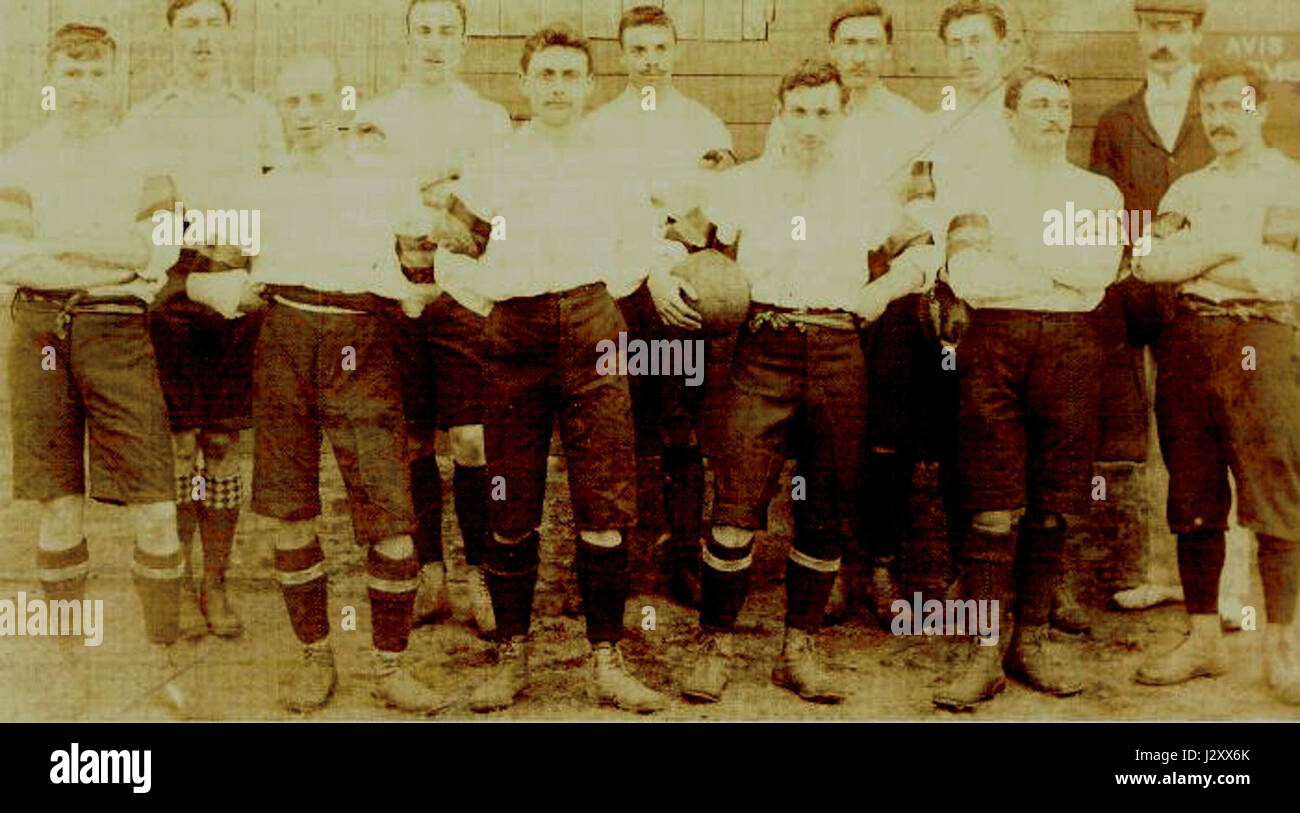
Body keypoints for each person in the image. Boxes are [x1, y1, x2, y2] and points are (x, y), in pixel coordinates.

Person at [680, 61, 938, 705]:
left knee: (823, 515)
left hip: (838, 350)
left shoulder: (864, 188)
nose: (812, 125)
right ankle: (715, 643)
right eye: (800, 111)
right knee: (736, 508)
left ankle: (801, 649)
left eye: (825, 112)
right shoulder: (742, 185)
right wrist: (666, 280)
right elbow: (676, 238)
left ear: (841, 116)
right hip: (761, 348)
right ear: (780, 113)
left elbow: (923, 249)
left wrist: (878, 294)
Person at [447, 25, 682, 714]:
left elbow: (640, 244)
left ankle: (606, 659)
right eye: (544, 75)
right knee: (509, 500)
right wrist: (495, 303)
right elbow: (454, 249)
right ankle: (509, 657)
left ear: (588, 85)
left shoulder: (613, 158)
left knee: (604, 498)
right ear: (524, 83)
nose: (556, 88)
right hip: (513, 333)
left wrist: (596, 298)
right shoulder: (493, 161)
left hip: (592, 326)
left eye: (569, 76)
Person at [233, 55, 450, 714]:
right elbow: (211, 272)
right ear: (278, 109)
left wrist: (416, 291)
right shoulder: (262, 189)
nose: (303, 115)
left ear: (340, 105)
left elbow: (426, 267)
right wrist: (229, 286)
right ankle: (313, 658)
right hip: (283, 336)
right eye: (291, 102)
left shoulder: (381, 179)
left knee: (388, 509)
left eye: (315, 101)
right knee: (290, 505)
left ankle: (390, 668)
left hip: (360, 337)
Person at [0, 22, 192, 716]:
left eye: (96, 74)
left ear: (117, 82)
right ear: (52, 82)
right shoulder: (21, 160)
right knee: (57, 507)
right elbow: (10, 260)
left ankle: (165, 663)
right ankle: (68, 667)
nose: (84, 88)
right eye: (71, 74)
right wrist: (114, 253)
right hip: (40, 332)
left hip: (117, 330)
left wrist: (69, 246)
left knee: (156, 509)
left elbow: (162, 253)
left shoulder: (146, 156)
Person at [931, 67, 1124, 711]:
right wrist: (1051, 264)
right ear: (1010, 115)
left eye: (1062, 105)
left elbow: (1098, 276)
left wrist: (1017, 253)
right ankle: (982, 651)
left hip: (1072, 348)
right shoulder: (976, 184)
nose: (1053, 115)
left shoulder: (1096, 193)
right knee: (992, 503)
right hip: (994, 346)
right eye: (1039, 103)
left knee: (1053, 501)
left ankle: (1031, 639)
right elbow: (970, 276)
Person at [1133, 62, 1300, 705]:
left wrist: (1203, 260)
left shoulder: (1288, 181)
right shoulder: (1187, 190)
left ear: (1260, 109)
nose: (1221, 120)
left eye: (1234, 106)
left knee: (1276, 495)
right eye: (1210, 110)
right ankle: (1203, 640)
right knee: (1194, 493)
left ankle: (1281, 649)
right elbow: (1150, 264)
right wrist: (1233, 247)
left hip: (1262, 343)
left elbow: (1280, 280)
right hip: (1189, 344)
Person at [123, 0, 285, 640]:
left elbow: (277, 195)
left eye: (212, 26)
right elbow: (140, 208)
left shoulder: (257, 113)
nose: (201, 39)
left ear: (228, 35)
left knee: (222, 442)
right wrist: (194, 253)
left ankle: (214, 579)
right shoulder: (146, 118)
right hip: (172, 288)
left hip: (242, 286)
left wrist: (246, 265)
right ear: (171, 36)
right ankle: (177, 572)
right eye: (189, 26)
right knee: (178, 442)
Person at [355, 0, 512, 634]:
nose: (435, 43)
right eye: (424, 31)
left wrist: (438, 201)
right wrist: (434, 192)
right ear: (407, 39)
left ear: (465, 42)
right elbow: (368, 204)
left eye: (448, 32)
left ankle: (479, 571)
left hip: (465, 291)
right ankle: (429, 572)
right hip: (396, 293)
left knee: (471, 438)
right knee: (413, 439)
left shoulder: (489, 119)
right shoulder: (375, 117)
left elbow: (492, 213)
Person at [585, 4, 735, 607]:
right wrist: (653, 231)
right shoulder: (598, 128)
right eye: (638, 49)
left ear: (676, 51)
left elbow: (716, 212)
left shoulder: (704, 125)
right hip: (620, 291)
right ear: (622, 56)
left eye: (659, 48)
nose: (649, 60)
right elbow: (605, 216)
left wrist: (670, 236)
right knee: (619, 424)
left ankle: (683, 556)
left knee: (681, 423)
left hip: (682, 292)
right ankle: (627, 557)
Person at [1089, 0, 1215, 616]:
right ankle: (1156, 570)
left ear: (1197, 32)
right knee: (1157, 439)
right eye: (1153, 28)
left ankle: (1226, 585)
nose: (1163, 40)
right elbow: (1108, 214)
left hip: (1212, 296)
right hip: (1142, 299)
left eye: (1176, 28)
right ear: (1139, 33)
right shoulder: (1116, 123)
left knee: (1220, 432)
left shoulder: (1222, 110)